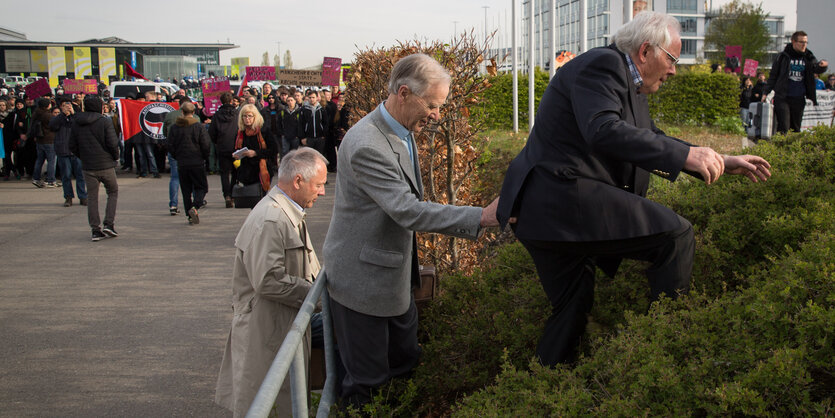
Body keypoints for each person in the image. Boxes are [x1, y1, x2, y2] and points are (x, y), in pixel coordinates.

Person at [496, 11, 772, 367]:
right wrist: (686, 155)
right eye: (672, 58)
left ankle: (542, 388)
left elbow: (650, 137)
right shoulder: (603, 65)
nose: (674, 70)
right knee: (676, 236)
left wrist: (721, 158)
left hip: (546, 214)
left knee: (571, 311)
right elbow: (604, 130)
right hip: (561, 200)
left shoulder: (627, 81)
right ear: (645, 51)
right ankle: (664, 352)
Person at [322, 53, 500, 407]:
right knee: (367, 385)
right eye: (432, 105)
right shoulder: (367, 144)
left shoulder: (397, 128)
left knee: (404, 363)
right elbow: (408, 210)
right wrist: (480, 216)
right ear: (403, 93)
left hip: (391, 277)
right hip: (363, 284)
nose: (437, 115)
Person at [215, 148, 328, 417]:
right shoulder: (272, 218)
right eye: (319, 185)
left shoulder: (283, 212)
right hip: (267, 327)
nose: (322, 192)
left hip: (278, 321)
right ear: (298, 181)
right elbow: (268, 280)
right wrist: (318, 296)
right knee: (269, 404)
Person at [69, 96, 120, 242]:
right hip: (105, 164)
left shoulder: (77, 122)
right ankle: (109, 223)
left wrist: (83, 156)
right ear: (99, 107)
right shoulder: (104, 121)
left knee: (92, 197)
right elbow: (112, 143)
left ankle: (95, 230)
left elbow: (72, 145)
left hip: (88, 165)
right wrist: (115, 157)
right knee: (113, 191)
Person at [763, 30, 828, 134]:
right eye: (801, 42)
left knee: (795, 128)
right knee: (784, 126)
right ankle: (780, 148)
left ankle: (792, 149)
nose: (804, 45)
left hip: (798, 98)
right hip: (782, 97)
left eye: (806, 42)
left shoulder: (808, 56)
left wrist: (823, 66)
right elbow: (773, 76)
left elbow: (815, 68)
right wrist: (766, 92)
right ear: (793, 41)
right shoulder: (782, 57)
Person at [167, 102, 210, 225]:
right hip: (197, 161)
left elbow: (170, 145)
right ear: (194, 112)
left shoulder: (175, 127)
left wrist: (177, 156)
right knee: (201, 187)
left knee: (186, 190)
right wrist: (204, 157)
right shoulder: (198, 127)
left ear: (182, 112)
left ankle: (189, 214)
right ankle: (195, 206)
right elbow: (206, 144)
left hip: (182, 162)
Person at [233, 104, 277, 196]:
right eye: (244, 116)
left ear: (255, 117)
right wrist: (237, 154)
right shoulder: (240, 133)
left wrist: (256, 153)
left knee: (260, 199)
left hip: (262, 169)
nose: (247, 118)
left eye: (250, 116)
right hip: (246, 171)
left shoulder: (264, 130)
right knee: (251, 200)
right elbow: (236, 148)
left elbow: (273, 150)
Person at [50, 99, 87, 207]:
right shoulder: (58, 118)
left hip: (77, 151)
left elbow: (81, 124)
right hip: (63, 150)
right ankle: (68, 197)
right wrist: (62, 115)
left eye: (69, 106)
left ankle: (83, 196)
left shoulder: (76, 117)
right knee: (66, 175)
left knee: (80, 175)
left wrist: (73, 113)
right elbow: (52, 126)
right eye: (65, 106)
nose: (67, 108)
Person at [208, 92, 239, 208]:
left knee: (224, 173)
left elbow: (211, 132)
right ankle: (233, 193)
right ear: (232, 101)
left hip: (222, 146)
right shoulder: (237, 113)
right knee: (236, 171)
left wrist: (218, 141)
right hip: (236, 147)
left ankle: (227, 195)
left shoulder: (217, 115)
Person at [30, 98, 58, 188]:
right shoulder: (48, 115)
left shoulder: (36, 113)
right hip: (49, 140)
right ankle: (51, 180)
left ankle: (36, 178)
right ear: (47, 105)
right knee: (51, 161)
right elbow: (55, 126)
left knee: (39, 160)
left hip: (39, 140)